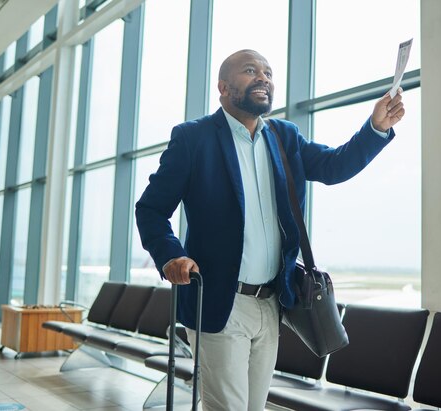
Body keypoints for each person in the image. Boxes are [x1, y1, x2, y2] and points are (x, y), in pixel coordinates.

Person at [135, 49, 405, 410]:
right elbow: (150, 209)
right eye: (250, 71)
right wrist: (172, 256)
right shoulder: (193, 139)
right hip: (219, 301)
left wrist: (376, 129)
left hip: (271, 303)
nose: (264, 77)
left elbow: (334, 166)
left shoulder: (284, 136)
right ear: (223, 87)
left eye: (268, 72)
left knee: (253, 407)